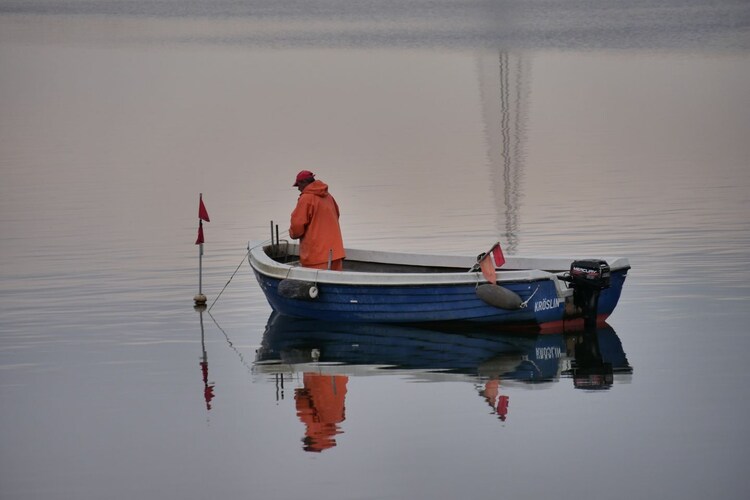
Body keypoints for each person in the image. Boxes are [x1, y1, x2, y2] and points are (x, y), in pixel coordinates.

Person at [289, 170, 346, 270]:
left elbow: (297, 226)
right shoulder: (328, 196)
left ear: (304, 183)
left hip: (316, 257)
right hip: (336, 253)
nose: (298, 188)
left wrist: (292, 233)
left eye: (298, 185)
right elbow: (336, 214)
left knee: (317, 281)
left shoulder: (306, 198)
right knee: (333, 282)